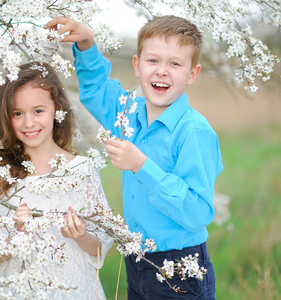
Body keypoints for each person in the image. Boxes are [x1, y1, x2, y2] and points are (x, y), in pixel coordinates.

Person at [44, 16, 223, 299]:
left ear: (192, 73)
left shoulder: (194, 132)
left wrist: (141, 166)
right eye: (153, 61)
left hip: (180, 267)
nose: (162, 71)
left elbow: (198, 212)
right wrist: (87, 43)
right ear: (138, 66)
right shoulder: (129, 114)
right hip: (137, 261)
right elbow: (96, 91)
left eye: (175, 64)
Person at [0, 62, 113, 299]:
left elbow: (100, 248)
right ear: (5, 118)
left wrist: (81, 235)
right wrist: (16, 238)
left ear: (57, 110)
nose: (29, 123)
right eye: (17, 114)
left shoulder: (82, 170)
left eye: (38, 111)